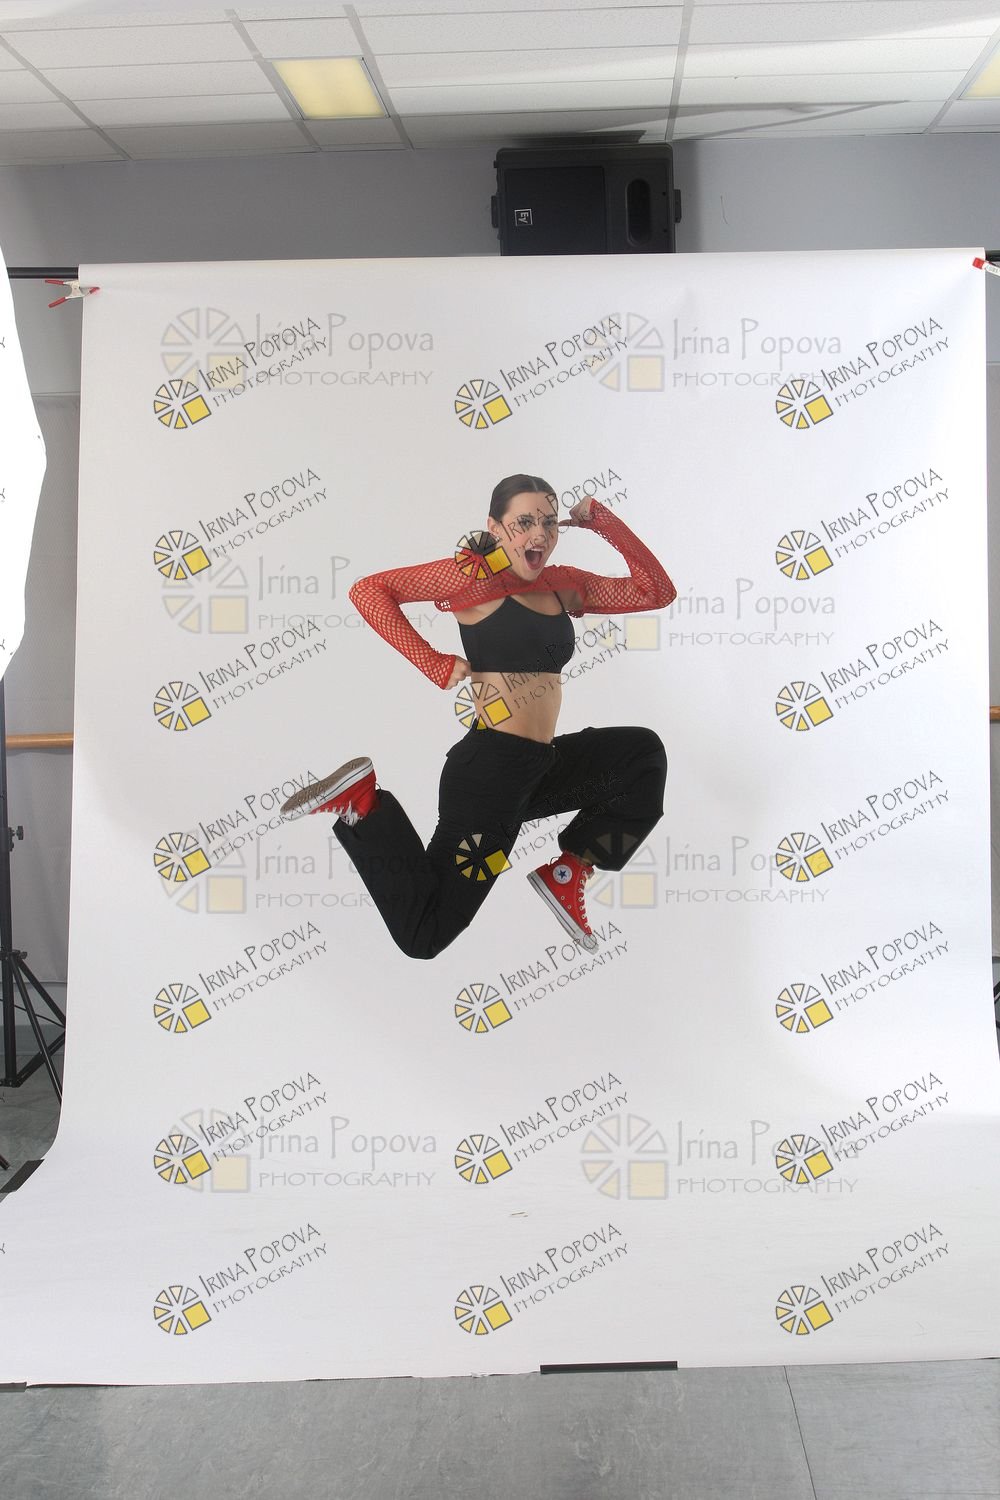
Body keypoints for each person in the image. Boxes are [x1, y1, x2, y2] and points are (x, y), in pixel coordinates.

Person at [280, 474, 676, 961]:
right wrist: (432, 662)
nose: (539, 534)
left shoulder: (560, 585)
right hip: (491, 777)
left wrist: (602, 521)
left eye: (549, 523)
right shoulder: (473, 577)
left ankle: (569, 871)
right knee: (426, 934)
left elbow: (655, 591)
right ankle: (364, 806)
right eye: (524, 522)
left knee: (641, 755)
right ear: (494, 527)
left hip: (537, 770)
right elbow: (370, 590)